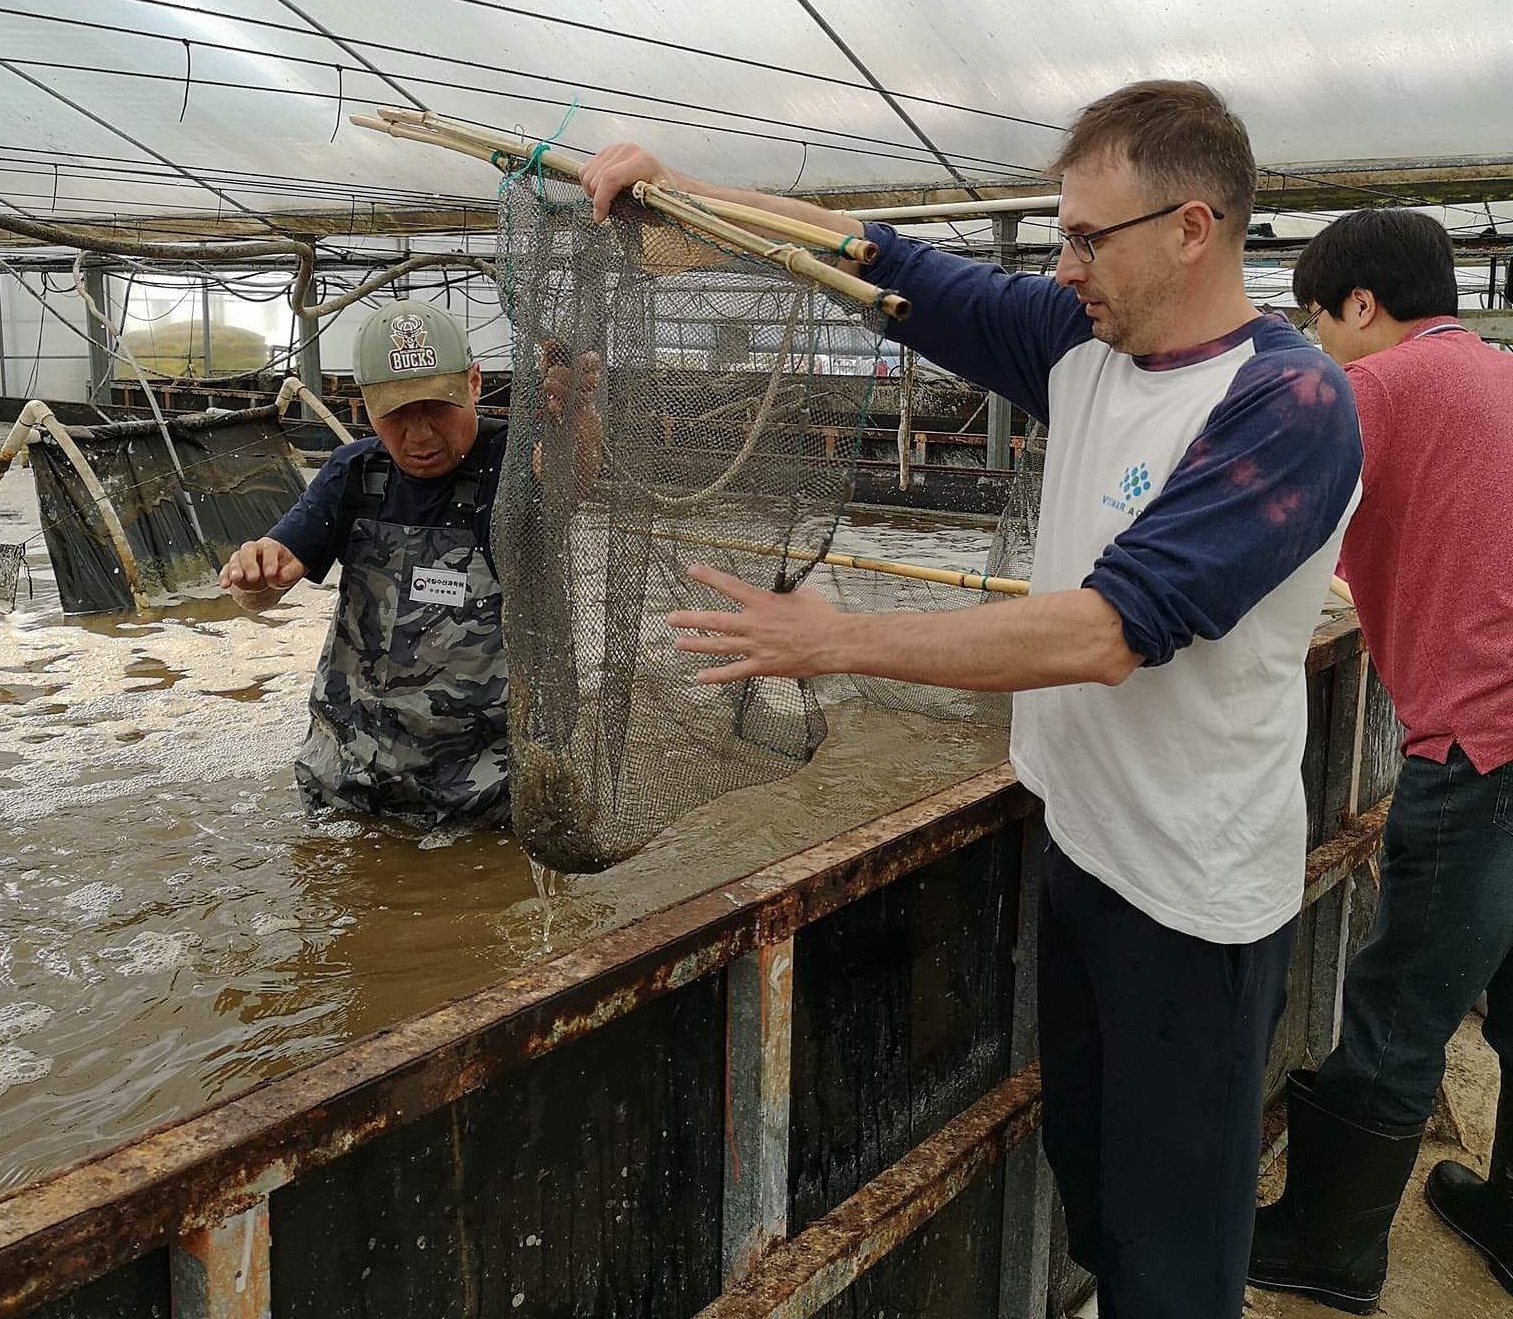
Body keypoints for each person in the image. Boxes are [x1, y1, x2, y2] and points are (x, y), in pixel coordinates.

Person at [580, 80, 1362, 1319]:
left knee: (1175, 1256)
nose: (1064, 266)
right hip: (1083, 849)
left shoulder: (1289, 406)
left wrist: (843, 642)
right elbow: (876, 260)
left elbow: (1108, 633)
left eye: (1086, 238)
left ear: (1192, 228)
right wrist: (680, 198)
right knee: (1095, 1189)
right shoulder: (1080, 341)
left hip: (1193, 900)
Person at [1248, 210, 1513, 1312]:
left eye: (1317, 316)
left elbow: (1248, 511)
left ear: (1362, 304)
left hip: (1481, 744)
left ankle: (1330, 1249)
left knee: (1399, 1006)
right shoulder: (1497, 375)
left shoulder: (1374, 388)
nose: (1316, 341)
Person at [219, 299, 599, 827]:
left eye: (436, 407)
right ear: (366, 403)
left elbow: (569, 482)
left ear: (473, 383)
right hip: (350, 783)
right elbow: (259, 593)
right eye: (395, 414)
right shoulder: (354, 473)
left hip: (487, 794)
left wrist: (577, 423)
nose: (418, 436)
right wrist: (255, 573)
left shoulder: (514, 466)